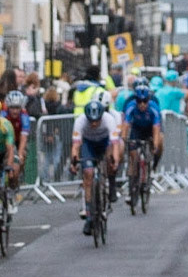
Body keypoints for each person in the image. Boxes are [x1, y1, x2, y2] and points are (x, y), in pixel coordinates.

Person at [70, 94, 122, 233]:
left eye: (96, 121)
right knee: (88, 174)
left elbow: (115, 144)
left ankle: (107, 187)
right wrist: (74, 162)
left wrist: (115, 161)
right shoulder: (80, 121)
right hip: (89, 145)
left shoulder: (109, 119)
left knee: (110, 160)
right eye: (91, 121)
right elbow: (75, 146)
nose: (93, 124)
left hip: (105, 144)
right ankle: (89, 215)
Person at [120, 77, 164, 172]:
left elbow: (156, 127)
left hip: (150, 127)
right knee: (133, 155)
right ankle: (133, 177)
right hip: (137, 128)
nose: (142, 104)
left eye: (145, 101)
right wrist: (123, 140)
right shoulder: (130, 104)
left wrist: (155, 145)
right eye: (139, 101)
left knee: (160, 140)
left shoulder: (154, 105)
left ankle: (155, 163)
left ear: (148, 99)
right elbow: (126, 123)